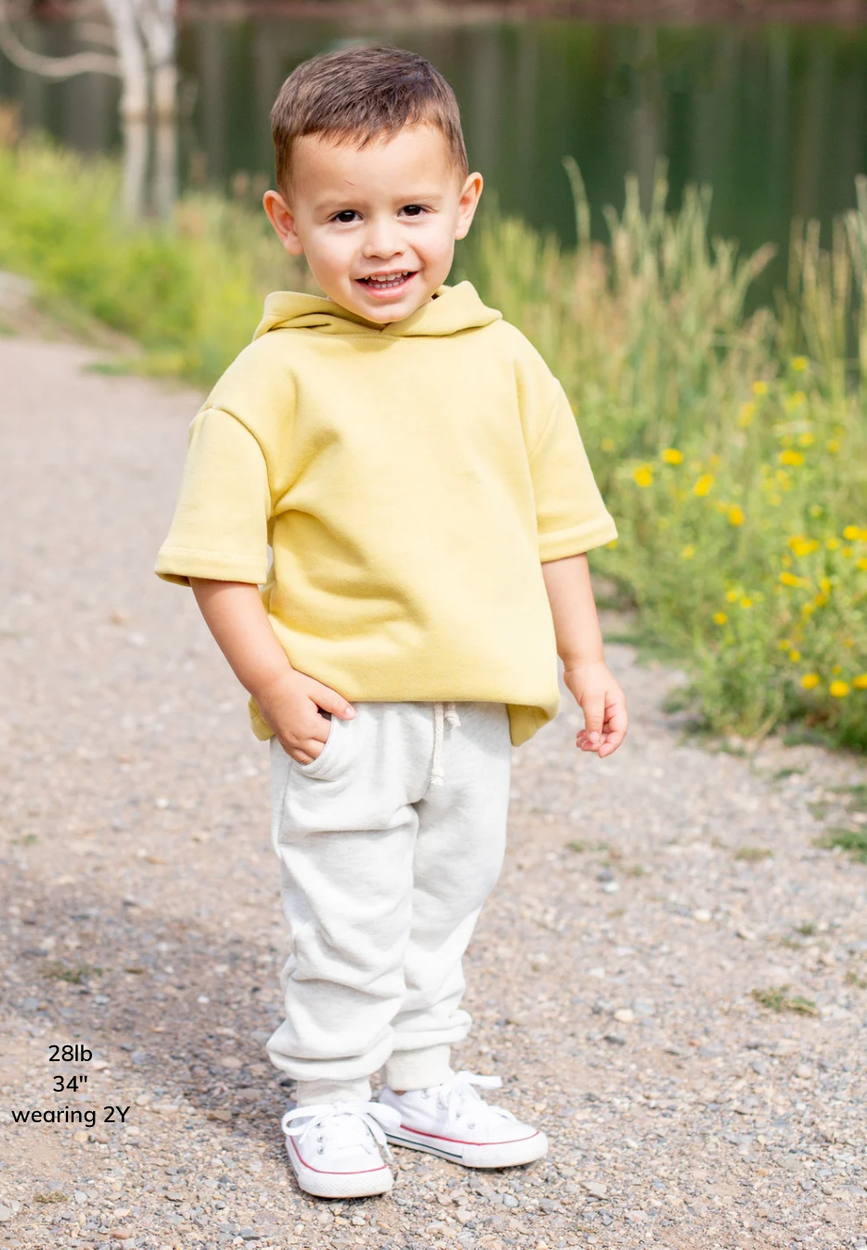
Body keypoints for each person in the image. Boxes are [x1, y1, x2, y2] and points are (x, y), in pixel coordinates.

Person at [155, 44, 628, 1199]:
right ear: (286, 221)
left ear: (462, 205)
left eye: (412, 208)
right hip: (347, 705)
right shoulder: (270, 380)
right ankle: (327, 1094)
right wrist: (273, 684)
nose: (382, 244)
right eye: (345, 215)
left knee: (442, 903)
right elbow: (221, 564)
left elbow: (554, 523)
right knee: (349, 911)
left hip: (477, 702)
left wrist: (584, 655)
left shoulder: (505, 360)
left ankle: (417, 1079)